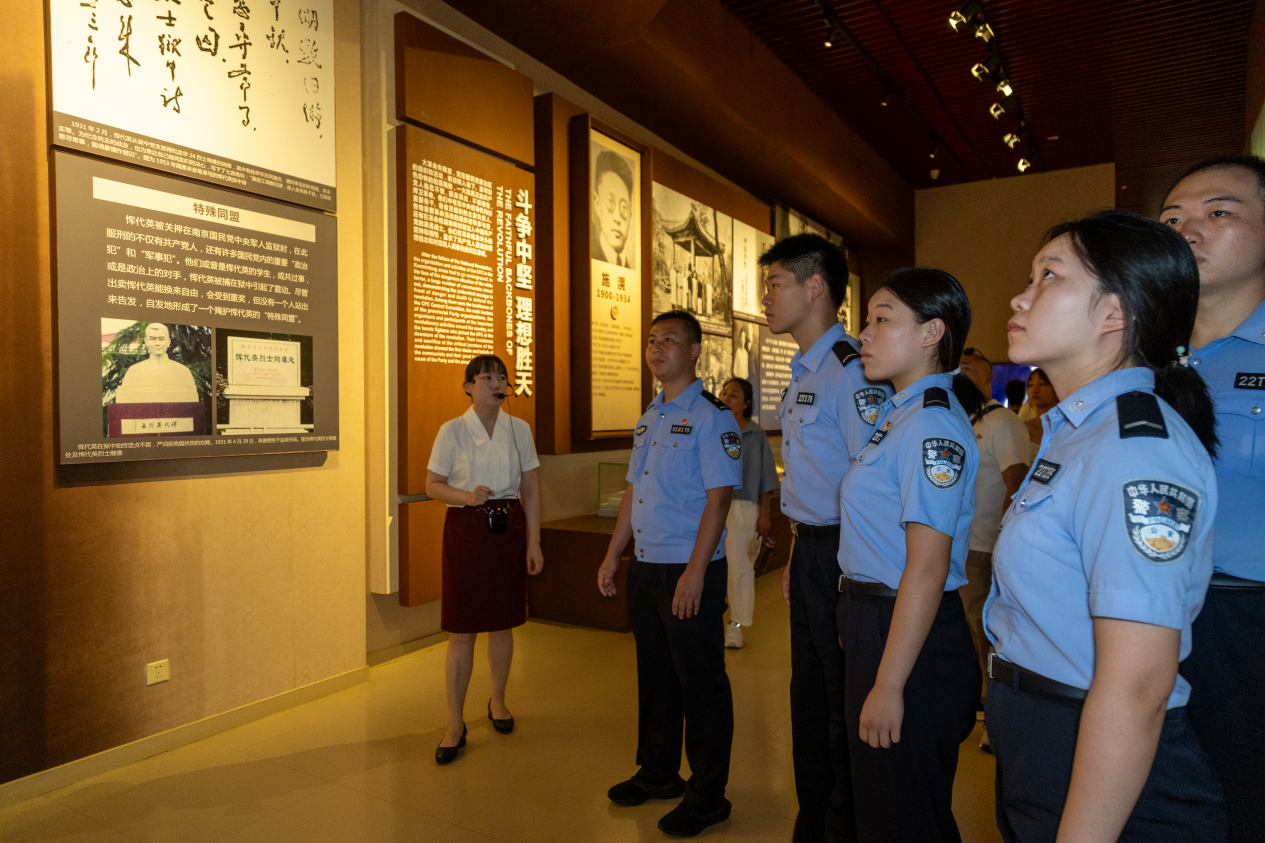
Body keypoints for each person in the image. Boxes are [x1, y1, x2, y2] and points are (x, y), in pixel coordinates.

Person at [984, 210, 1227, 842]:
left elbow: (1139, 686)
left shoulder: (1132, 449)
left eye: (1049, 276)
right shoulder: (1078, 433)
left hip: (1101, 750)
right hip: (1045, 733)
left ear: (1114, 314)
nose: (1020, 294)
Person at [835, 268, 983, 841]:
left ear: (931, 333)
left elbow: (926, 564)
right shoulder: (897, 416)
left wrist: (889, 683)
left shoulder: (930, 425)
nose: (863, 334)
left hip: (910, 639)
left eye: (881, 319)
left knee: (904, 818)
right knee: (884, 809)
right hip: (882, 621)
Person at [760, 232, 890, 843]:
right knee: (808, 693)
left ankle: (843, 825)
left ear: (816, 287)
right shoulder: (803, 370)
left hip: (846, 553)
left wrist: (844, 569)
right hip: (811, 548)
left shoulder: (851, 373)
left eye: (775, 282)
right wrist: (795, 553)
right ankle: (814, 818)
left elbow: (871, 485)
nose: (765, 296)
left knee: (841, 700)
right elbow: (812, 482)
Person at [598, 310, 741, 838]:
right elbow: (634, 492)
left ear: (696, 350)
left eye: (670, 340)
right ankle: (658, 772)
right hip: (647, 566)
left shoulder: (712, 416)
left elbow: (719, 500)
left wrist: (695, 572)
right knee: (655, 675)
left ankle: (708, 795)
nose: (657, 349)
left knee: (701, 682)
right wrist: (615, 554)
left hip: (689, 568)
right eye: (652, 341)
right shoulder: (650, 417)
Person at [1162, 154, 1265, 843]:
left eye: (1217, 213)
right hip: (1143, 614)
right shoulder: (1137, 360)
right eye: (1171, 220)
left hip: (1243, 621)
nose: (1187, 231)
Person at [424, 355, 544, 765]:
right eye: (487, 377)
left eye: (502, 377)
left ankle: (498, 701)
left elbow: (531, 487)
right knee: (462, 629)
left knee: (503, 623)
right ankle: (454, 722)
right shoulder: (452, 430)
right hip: (466, 529)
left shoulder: (519, 428)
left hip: (508, 526)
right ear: (468, 386)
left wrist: (534, 542)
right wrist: (465, 496)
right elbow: (433, 485)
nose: (497, 383)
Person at [957, 347, 1030, 738]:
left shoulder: (1002, 422)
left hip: (985, 547)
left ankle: (993, 704)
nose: (960, 373)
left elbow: (1015, 487)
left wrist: (1004, 544)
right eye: (957, 368)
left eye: (969, 369)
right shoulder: (956, 419)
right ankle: (973, 697)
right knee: (964, 631)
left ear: (987, 379)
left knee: (985, 630)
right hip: (956, 546)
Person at [717, 376, 780, 649]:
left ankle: (736, 624)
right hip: (712, 505)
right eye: (723, 393)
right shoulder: (713, 428)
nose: (726, 398)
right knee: (711, 566)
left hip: (743, 507)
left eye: (733, 395)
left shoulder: (756, 435)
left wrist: (764, 514)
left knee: (740, 568)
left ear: (745, 403)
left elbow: (766, 480)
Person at [115, 322, 199, 404]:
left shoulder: (183, 372)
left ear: (168, 342)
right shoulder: (133, 372)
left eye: (161, 339)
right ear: (146, 341)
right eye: (152, 339)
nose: (157, 343)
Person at [591, 149, 634, 268]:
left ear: (630, 215)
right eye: (610, 202)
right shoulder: (591, 256)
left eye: (624, 208)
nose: (617, 218)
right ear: (597, 203)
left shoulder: (630, 271)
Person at [1018, 368, 1058, 442]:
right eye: (1030, 385)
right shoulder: (1023, 429)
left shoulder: (1068, 427)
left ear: (1056, 388)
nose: (1034, 390)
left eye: (1041, 384)